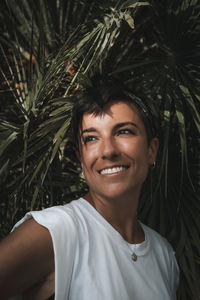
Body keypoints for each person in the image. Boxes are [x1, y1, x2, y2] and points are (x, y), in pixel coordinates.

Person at [0, 77, 179, 300]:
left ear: (151, 150)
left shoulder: (164, 254)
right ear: (81, 159)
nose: (107, 151)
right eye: (92, 138)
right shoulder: (58, 229)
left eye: (123, 132)